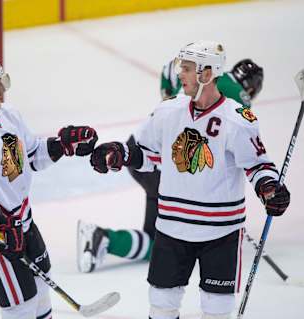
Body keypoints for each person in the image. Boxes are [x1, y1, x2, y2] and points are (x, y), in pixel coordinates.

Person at [86, 41, 290, 319]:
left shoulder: (237, 120)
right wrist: (119, 152)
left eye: (186, 68)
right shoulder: (168, 111)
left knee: (217, 310)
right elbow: (147, 154)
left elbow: (257, 165)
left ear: (207, 74)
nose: (179, 73)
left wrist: (268, 187)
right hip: (171, 229)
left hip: (221, 233)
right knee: (161, 304)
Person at [76, 58, 264, 272]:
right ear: (250, 87)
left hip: (139, 153)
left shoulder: (206, 82)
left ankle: (102, 238)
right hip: (158, 163)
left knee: (156, 241)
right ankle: (104, 238)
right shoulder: (236, 98)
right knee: (176, 238)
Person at [0, 57, 98, 319]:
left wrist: (63, 145)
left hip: (21, 219)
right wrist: (3, 224)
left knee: (40, 290)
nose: (3, 91)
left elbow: (32, 155)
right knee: (20, 305)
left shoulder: (7, 114)